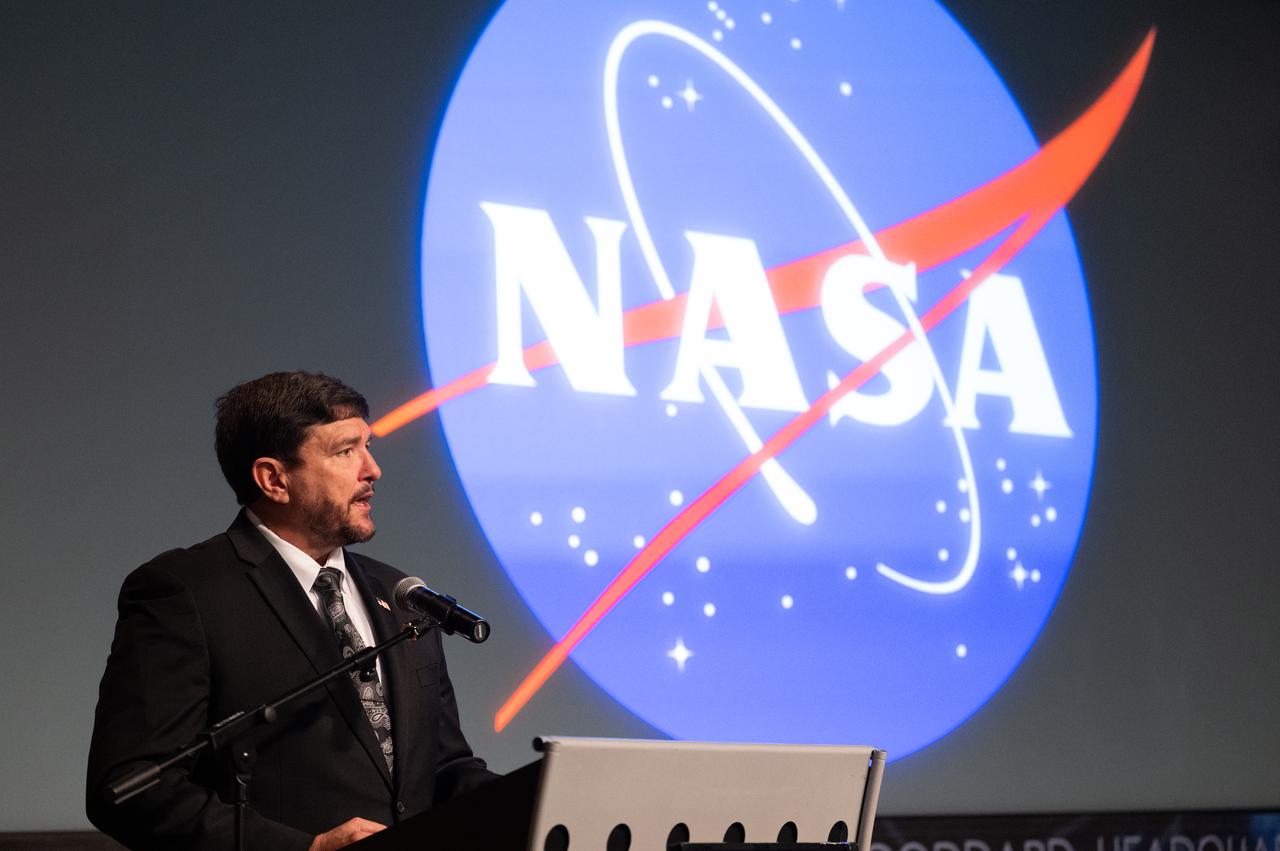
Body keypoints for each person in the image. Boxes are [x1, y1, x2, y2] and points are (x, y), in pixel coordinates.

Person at [86, 371, 495, 850]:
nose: (372, 470)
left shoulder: (400, 593)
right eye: (345, 451)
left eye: (369, 445)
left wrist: (546, 796)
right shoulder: (185, 593)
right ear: (274, 479)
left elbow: (443, 768)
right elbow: (131, 789)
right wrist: (304, 849)